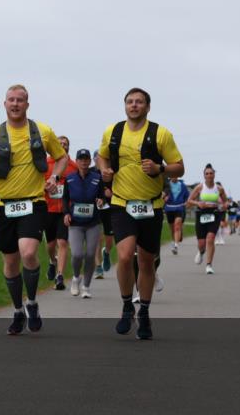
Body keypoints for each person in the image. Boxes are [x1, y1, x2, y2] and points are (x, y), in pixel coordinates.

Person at [0, 84, 68, 335]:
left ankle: (32, 302)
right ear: (4, 104)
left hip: (33, 203)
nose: (15, 104)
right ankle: (17, 310)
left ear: (27, 104)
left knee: (28, 253)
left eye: (20, 100)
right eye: (11, 100)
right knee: (11, 261)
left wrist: (55, 178)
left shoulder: (42, 131)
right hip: (2, 206)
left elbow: (61, 158)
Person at [97, 88, 184, 340]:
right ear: (125, 106)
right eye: (130, 102)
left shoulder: (160, 134)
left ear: (147, 107)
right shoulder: (113, 132)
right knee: (125, 256)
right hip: (121, 203)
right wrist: (104, 170)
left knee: (146, 261)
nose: (134, 105)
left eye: (139, 102)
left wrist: (160, 168)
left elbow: (179, 167)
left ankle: (144, 311)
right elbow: (102, 156)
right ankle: (127, 306)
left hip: (151, 206)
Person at [63, 149, 106, 298]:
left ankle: (86, 287)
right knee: (77, 254)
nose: (84, 162)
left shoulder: (97, 178)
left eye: (86, 159)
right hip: (75, 223)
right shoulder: (70, 178)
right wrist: (66, 213)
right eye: (81, 159)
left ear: (90, 161)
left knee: (90, 255)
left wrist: (101, 201)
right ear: (77, 161)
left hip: (93, 222)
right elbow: (65, 198)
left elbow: (102, 197)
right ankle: (76, 278)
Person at [45, 136, 77, 290]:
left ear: (68, 147)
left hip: (65, 210)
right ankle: (52, 261)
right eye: (60, 143)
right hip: (48, 209)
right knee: (50, 245)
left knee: (63, 243)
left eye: (65, 144)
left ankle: (60, 277)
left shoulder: (73, 166)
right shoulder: (45, 164)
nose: (63, 145)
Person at [187, 165, 227, 274]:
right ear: (204, 175)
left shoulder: (219, 188)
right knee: (201, 243)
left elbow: (225, 202)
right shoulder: (200, 187)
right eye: (207, 173)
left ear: (214, 175)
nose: (209, 175)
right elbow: (189, 201)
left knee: (210, 238)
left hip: (214, 214)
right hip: (202, 214)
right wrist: (198, 203)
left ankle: (209, 265)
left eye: (211, 173)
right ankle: (201, 252)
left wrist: (224, 206)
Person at [93, 150, 114, 280]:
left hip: (109, 209)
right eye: (96, 158)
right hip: (95, 209)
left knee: (109, 240)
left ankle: (106, 252)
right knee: (97, 238)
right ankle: (98, 267)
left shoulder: (112, 172)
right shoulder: (91, 173)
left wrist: (110, 193)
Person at [164, 175, 189, 255]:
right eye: (172, 175)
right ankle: (174, 240)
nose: (174, 177)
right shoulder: (167, 185)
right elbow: (162, 194)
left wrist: (186, 202)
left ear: (178, 176)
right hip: (169, 208)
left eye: (175, 175)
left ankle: (176, 246)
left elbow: (187, 197)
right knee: (172, 228)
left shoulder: (183, 186)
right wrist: (164, 198)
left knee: (177, 226)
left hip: (179, 208)